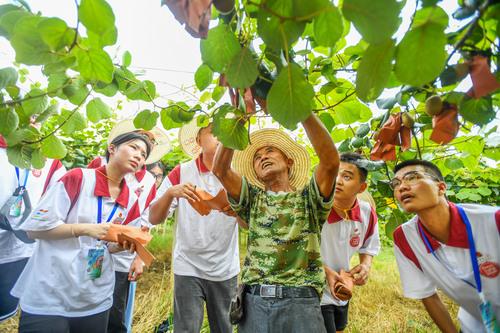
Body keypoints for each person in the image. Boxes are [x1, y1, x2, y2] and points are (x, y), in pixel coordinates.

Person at [11, 132, 153, 333]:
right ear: (111, 148)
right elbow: (35, 229)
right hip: (52, 291)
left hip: (94, 296)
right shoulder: (79, 178)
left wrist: (120, 245)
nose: (139, 155)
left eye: (144, 154)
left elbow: (107, 247)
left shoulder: (130, 198)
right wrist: (86, 229)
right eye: (133, 147)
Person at [212, 114, 339, 333]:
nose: (262, 157)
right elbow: (220, 170)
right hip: (255, 303)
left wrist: (301, 111)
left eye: (270, 151)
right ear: (256, 174)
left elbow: (330, 162)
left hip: (301, 303)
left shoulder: (309, 199)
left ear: (289, 161)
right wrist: (239, 118)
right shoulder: (253, 200)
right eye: (257, 157)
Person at [149, 119, 240, 333]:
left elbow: (246, 223)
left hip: (225, 266)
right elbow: (154, 218)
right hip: (188, 264)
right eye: (213, 132)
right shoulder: (181, 172)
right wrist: (171, 192)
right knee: (186, 328)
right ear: (198, 139)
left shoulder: (236, 175)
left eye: (225, 133)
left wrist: (237, 208)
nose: (219, 138)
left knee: (224, 328)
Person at [391, 159, 499, 333]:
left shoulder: (493, 221)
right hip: (474, 325)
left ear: (441, 188)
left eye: (412, 178)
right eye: (396, 183)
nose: (402, 187)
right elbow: (428, 295)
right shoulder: (404, 238)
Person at [87, 119, 170, 333]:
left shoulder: (149, 181)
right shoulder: (99, 165)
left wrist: (139, 257)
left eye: (148, 146)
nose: (143, 147)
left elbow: (145, 220)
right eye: (138, 142)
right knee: (84, 306)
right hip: (88, 247)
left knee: (114, 313)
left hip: (121, 256)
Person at [0, 136, 66, 323]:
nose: (32, 119)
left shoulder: (49, 159)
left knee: (5, 309)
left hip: (21, 250)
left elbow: (59, 202)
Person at [320, 152, 380, 333]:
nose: (338, 181)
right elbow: (294, 248)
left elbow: (369, 244)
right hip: (312, 291)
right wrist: (324, 271)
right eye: (335, 174)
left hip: (341, 289)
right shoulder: (315, 210)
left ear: (362, 187)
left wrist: (365, 265)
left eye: (346, 176)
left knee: (339, 328)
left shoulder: (367, 212)